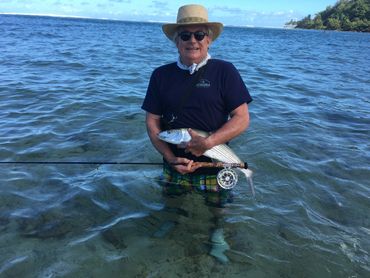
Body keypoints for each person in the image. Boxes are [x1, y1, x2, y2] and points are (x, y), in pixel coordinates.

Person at [142, 4, 252, 200]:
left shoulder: (225, 71)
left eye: (199, 35)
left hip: (216, 168)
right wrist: (170, 158)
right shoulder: (160, 75)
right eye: (185, 35)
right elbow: (152, 123)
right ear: (176, 42)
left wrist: (208, 143)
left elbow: (242, 118)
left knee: (218, 218)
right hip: (174, 166)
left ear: (208, 40)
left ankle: (218, 230)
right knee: (171, 210)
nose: (192, 41)